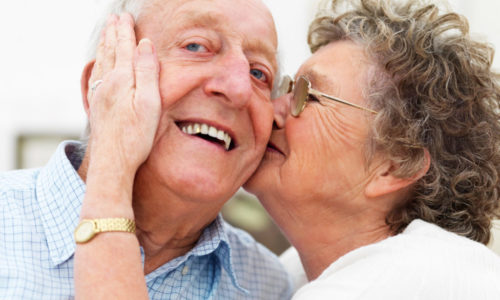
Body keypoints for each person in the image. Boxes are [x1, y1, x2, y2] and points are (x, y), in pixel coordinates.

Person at [0, 0, 293, 299]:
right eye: (195, 47)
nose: (239, 88)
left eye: (259, 74)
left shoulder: (269, 286)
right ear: (100, 86)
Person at [245, 0, 500, 298]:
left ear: (395, 165)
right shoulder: (289, 276)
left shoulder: (410, 277)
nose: (272, 110)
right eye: (286, 89)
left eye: (306, 96)